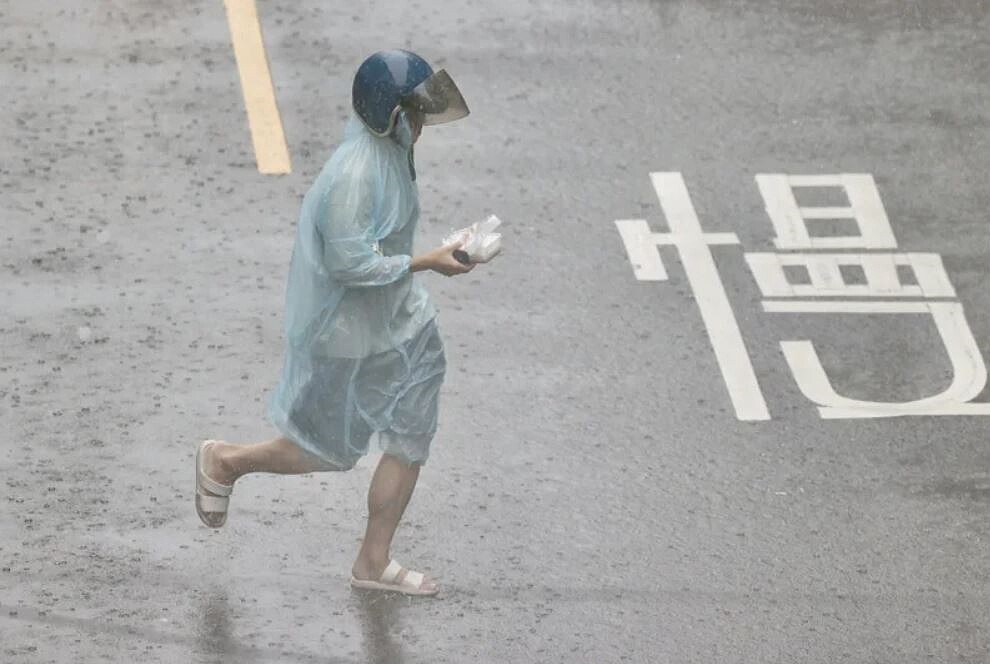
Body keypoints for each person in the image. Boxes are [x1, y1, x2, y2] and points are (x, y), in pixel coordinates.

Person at [194, 49, 474, 597]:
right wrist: (429, 261)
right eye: (414, 113)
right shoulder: (353, 175)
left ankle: (374, 560)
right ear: (389, 115)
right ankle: (226, 460)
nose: (422, 124)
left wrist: (440, 256)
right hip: (352, 335)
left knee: (412, 437)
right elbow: (351, 264)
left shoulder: (392, 153)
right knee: (326, 448)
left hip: (402, 324)